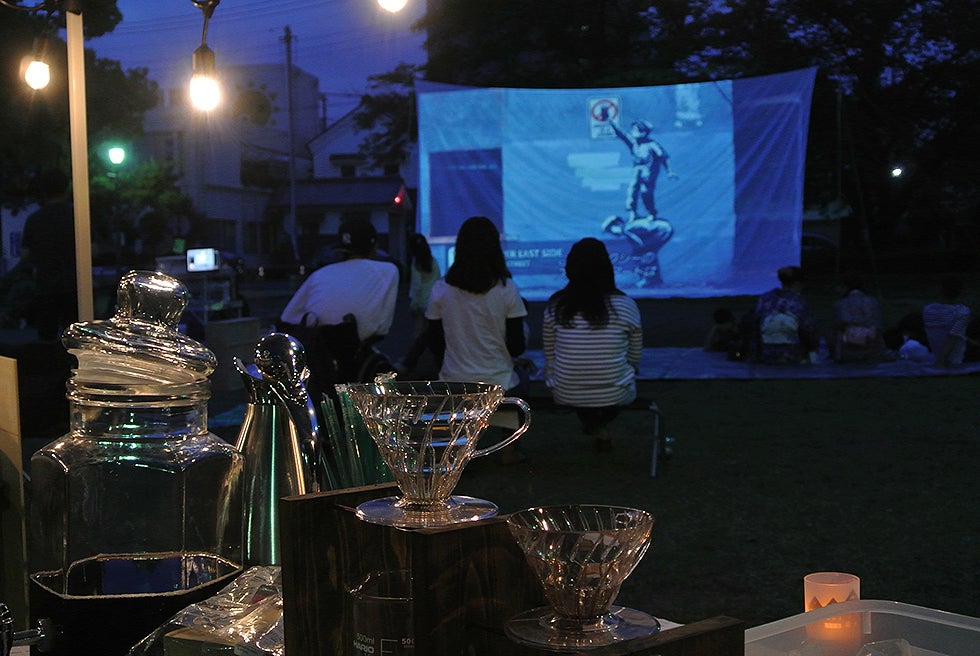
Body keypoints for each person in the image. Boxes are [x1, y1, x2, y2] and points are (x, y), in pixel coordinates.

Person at [424, 216, 528, 463]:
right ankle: (508, 451)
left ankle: (458, 449)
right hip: (500, 384)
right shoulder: (507, 288)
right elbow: (517, 346)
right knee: (519, 380)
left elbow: (435, 342)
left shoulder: (441, 289)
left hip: (454, 382)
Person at [279, 219, 399, 399]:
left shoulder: (320, 274)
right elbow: (383, 324)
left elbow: (287, 317)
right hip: (356, 352)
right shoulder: (388, 271)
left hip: (318, 356)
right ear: (374, 246)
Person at [542, 238, 642, 452]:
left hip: (565, 392)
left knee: (578, 382)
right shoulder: (625, 305)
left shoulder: (556, 305)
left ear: (569, 268)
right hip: (616, 393)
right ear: (607, 268)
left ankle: (594, 425)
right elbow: (634, 356)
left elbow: (549, 353)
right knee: (620, 381)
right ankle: (598, 425)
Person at [20, 168, 77, 340]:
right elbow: (94, 249)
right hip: (74, 285)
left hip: (45, 286)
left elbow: (25, 255)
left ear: (43, 191)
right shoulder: (76, 216)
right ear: (67, 188)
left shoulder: (35, 219)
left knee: (46, 337)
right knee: (74, 337)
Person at [608, 118, 678, 221]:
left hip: (649, 170)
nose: (634, 132)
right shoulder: (633, 143)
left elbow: (663, 157)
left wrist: (669, 171)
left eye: (637, 130)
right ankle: (633, 212)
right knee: (632, 189)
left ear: (644, 132)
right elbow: (621, 133)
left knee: (645, 192)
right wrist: (610, 121)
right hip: (637, 169)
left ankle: (651, 212)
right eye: (633, 130)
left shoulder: (652, 144)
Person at [754, 265, 818, 364]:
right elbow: (808, 329)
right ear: (797, 284)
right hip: (793, 355)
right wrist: (812, 350)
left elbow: (756, 324)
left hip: (767, 353)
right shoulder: (798, 302)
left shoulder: (765, 299)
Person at [397, 233, 441, 375]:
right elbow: (438, 280)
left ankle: (411, 362)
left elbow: (416, 286)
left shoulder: (416, 263)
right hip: (433, 302)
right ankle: (433, 362)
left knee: (419, 334)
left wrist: (413, 304)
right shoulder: (433, 261)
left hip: (420, 303)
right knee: (431, 333)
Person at [832, 270, 884, 362]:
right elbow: (878, 328)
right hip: (872, 352)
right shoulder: (873, 302)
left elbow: (835, 331)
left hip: (847, 353)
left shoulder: (839, 304)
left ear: (845, 287)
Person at [922, 274, 971, 367]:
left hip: (936, 353)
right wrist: (940, 362)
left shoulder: (927, 309)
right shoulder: (962, 311)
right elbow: (951, 338)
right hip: (956, 358)